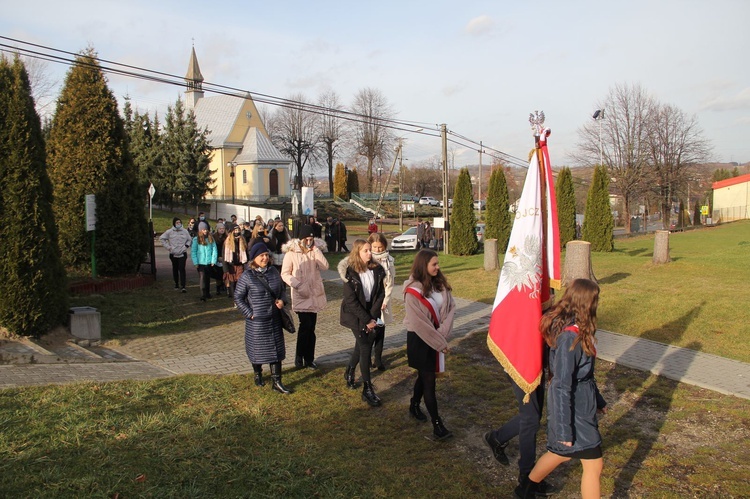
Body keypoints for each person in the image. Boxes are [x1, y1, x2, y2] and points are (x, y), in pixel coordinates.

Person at [515, 279, 607, 499]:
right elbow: (561, 385)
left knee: (561, 454)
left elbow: (586, 377)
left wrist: (599, 401)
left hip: (581, 406)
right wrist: (564, 430)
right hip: (573, 410)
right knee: (592, 464)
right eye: (596, 299)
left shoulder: (579, 332)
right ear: (587, 303)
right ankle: (524, 488)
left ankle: (524, 489)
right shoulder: (569, 338)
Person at [403, 248, 456, 440]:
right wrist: (439, 341)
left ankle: (414, 404)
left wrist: (442, 334)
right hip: (420, 339)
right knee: (428, 380)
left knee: (425, 375)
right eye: (434, 264)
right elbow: (418, 323)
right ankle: (437, 425)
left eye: (438, 263)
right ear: (423, 265)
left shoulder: (440, 284)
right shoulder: (412, 291)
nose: (438, 267)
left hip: (437, 337)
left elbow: (451, 308)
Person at [235, 242, 292, 394]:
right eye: (262, 256)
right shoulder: (247, 276)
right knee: (257, 351)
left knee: (276, 351)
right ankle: (258, 373)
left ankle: (277, 382)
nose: (265, 258)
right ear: (254, 258)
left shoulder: (273, 272)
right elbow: (238, 298)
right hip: (257, 322)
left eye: (267, 255)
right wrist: (250, 313)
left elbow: (282, 290)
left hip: (274, 319)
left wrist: (282, 300)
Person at [340, 239, 386, 406]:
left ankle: (350, 370)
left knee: (361, 346)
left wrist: (373, 316)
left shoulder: (377, 269)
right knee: (365, 346)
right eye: (366, 250)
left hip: (372, 312)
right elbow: (351, 301)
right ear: (357, 253)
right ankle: (367, 389)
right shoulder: (350, 273)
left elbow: (380, 294)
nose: (369, 253)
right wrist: (367, 320)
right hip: (355, 315)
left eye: (370, 250)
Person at [281, 224, 329, 369]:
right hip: (301, 294)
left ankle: (309, 358)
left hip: (314, 295)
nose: (308, 242)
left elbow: (325, 266)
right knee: (305, 326)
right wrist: (298, 284)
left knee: (312, 328)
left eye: (311, 239)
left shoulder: (314, 251)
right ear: (300, 239)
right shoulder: (291, 253)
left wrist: (316, 250)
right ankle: (299, 357)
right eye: (306, 239)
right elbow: (285, 274)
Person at [159, 217, 191, 293]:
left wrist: (186, 246)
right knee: (175, 268)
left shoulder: (185, 231)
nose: (178, 224)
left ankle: (183, 286)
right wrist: (168, 247)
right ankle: (176, 283)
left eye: (179, 222)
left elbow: (189, 239)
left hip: (182, 253)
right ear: (174, 223)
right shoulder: (169, 232)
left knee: (182, 268)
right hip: (173, 253)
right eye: (177, 222)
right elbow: (162, 239)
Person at [191, 222, 218, 301]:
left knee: (208, 278)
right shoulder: (196, 239)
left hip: (209, 262)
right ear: (200, 230)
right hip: (200, 263)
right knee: (202, 278)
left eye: (206, 229)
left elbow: (214, 250)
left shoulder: (211, 238)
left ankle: (207, 293)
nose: (205, 231)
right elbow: (194, 252)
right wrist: (195, 262)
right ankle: (203, 294)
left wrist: (213, 260)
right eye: (203, 230)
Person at [224, 224, 247, 301]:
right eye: (235, 230)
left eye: (238, 230)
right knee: (232, 283)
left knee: (240, 282)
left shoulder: (242, 240)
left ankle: (239, 298)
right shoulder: (227, 242)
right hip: (231, 265)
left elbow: (246, 252)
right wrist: (226, 269)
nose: (237, 232)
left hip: (240, 264)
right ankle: (235, 299)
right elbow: (224, 256)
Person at [213, 222, 228, 296]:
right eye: (220, 229)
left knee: (224, 273)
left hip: (225, 257)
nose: (222, 230)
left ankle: (225, 286)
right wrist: (217, 257)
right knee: (218, 274)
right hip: (217, 257)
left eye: (223, 229)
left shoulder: (227, 237)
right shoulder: (214, 237)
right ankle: (218, 288)